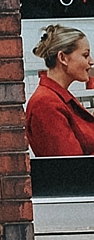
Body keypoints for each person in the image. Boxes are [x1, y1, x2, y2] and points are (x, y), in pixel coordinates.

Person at [26, 24, 94, 157]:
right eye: (85, 55)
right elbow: (71, 167)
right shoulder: (46, 104)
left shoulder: (58, 98)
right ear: (63, 58)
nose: (91, 61)